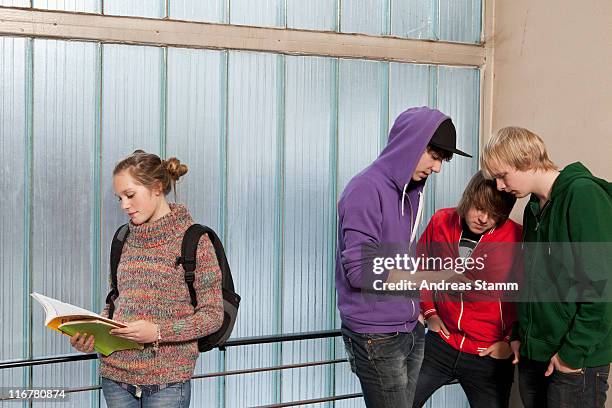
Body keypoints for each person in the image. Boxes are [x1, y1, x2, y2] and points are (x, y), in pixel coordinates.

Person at [336, 106, 472, 407]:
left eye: (442, 161)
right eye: (434, 156)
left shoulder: (410, 193)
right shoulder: (365, 190)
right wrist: (436, 277)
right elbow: (361, 272)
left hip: (410, 327)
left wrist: (420, 312)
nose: (437, 168)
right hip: (378, 336)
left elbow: (397, 260)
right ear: (410, 143)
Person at [70, 150, 224, 408]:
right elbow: (117, 299)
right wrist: (93, 333)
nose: (124, 205)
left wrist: (158, 332)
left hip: (168, 383)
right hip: (115, 379)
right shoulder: (123, 239)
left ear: (157, 187)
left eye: (130, 195)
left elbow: (212, 316)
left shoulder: (194, 241)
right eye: (119, 198)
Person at [481, 127, 612, 408]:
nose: (500, 187)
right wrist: (519, 333)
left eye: (503, 175)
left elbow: (602, 288)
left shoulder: (583, 195)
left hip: (574, 363)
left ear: (527, 160)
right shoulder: (532, 208)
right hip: (533, 356)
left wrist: (571, 355)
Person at [412, 170, 521, 408]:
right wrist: (429, 312)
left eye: (494, 214)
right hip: (441, 343)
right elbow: (421, 268)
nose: (483, 218)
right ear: (468, 198)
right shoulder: (441, 221)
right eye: (479, 208)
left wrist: (509, 339)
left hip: (488, 353)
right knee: (400, 401)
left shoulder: (516, 237)